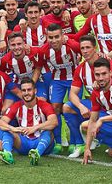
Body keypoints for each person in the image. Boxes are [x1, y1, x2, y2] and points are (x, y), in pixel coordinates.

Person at [63, 37, 112, 159]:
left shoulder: (107, 64)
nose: (85, 51)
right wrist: (81, 107)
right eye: (82, 48)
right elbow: (72, 94)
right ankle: (80, 144)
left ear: (95, 48)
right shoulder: (80, 69)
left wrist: (106, 86)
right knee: (67, 107)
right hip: (96, 106)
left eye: (88, 47)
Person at [36, 23, 81, 152]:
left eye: (57, 37)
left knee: (72, 108)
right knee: (54, 108)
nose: (54, 40)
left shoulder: (72, 45)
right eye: (51, 37)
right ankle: (58, 142)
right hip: (57, 80)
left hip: (74, 80)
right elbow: (39, 66)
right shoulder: (44, 50)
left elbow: (86, 52)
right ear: (46, 37)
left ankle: (75, 141)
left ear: (62, 36)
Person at [0, 77, 58, 166]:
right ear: (21, 92)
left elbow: (54, 122)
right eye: (24, 90)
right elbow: (1, 123)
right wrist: (13, 128)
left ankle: (37, 153)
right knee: (7, 131)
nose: (26, 93)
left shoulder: (44, 105)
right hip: (24, 143)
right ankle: (8, 155)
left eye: (29, 90)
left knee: (48, 131)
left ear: (35, 91)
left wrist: (35, 128)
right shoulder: (16, 106)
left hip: (41, 141)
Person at [68, 0, 112, 72]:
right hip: (104, 67)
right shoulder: (92, 20)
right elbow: (78, 36)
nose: (99, 1)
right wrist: (63, 36)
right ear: (94, 2)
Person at [0, 32, 43, 103]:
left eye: (19, 44)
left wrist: (31, 85)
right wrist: (21, 94)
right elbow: (3, 76)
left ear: (24, 44)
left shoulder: (34, 52)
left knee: (40, 102)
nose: (16, 47)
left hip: (36, 81)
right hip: (17, 85)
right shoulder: (5, 60)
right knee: (5, 110)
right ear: (9, 46)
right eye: (13, 45)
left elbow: (39, 67)